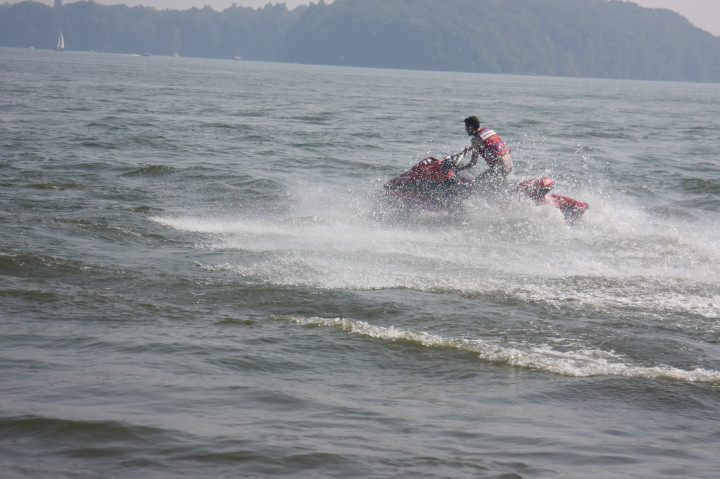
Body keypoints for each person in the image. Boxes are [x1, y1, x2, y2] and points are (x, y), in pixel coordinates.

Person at [454, 116, 513, 185]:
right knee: (498, 182)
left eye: (466, 127)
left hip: (500, 166)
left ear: (470, 127)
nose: (465, 129)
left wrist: (458, 169)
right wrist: (471, 148)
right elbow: (490, 145)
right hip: (509, 163)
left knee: (476, 184)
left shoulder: (476, 140)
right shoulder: (488, 131)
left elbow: (473, 163)